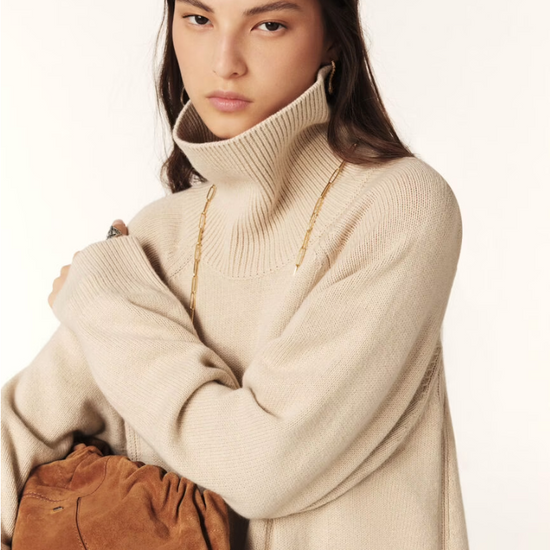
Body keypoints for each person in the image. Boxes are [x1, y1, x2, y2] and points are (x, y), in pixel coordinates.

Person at [1, 0, 470, 548]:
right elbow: (19, 434)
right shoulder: (158, 237)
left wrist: (104, 306)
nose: (225, 62)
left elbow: (262, 466)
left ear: (333, 40)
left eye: (268, 24)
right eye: (199, 19)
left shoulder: (398, 209)